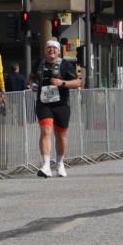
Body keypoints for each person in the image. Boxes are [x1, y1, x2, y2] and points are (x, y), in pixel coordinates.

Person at [34, 39, 82, 178]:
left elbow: (78, 82)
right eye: (49, 48)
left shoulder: (65, 65)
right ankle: (46, 165)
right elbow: (32, 77)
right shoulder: (39, 64)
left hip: (61, 104)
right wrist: (32, 84)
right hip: (43, 103)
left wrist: (62, 83)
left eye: (54, 48)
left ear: (58, 51)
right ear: (45, 50)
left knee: (61, 135)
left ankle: (60, 163)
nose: (51, 50)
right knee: (46, 131)